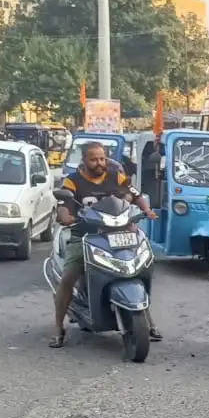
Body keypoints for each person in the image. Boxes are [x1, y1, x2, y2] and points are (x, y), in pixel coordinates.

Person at [51, 142, 158, 348]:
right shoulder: (72, 182)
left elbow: (135, 195)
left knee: (141, 267)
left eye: (102, 158)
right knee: (69, 277)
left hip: (120, 233)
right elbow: (63, 207)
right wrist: (66, 217)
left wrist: (147, 210)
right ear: (84, 160)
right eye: (94, 159)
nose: (99, 163)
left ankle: (146, 318)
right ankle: (58, 327)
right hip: (85, 236)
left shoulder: (116, 176)